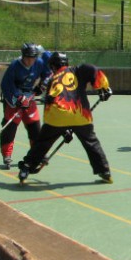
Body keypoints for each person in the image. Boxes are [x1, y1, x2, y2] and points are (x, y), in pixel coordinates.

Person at [18, 52, 113, 183]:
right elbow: (91, 69)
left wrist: (62, 129)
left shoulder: (53, 79)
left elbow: (50, 105)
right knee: (91, 142)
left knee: (43, 141)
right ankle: (104, 170)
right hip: (81, 115)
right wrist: (103, 88)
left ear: (53, 66)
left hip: (57, 116)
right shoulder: (77, 70)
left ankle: (27, 167)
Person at [0, 42, 52, 169]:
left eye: (33, 58)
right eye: (27, 57)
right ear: (23, 56)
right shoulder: (14, 66)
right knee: (10, 128)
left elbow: (48, 74)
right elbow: (6, 85)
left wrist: (42, 85)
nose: (30, 61)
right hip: (14, 99)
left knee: (35, 127)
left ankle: (37, 154)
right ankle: (7, 155)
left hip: (29, 97)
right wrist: (17, 99)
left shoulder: (39, 63)